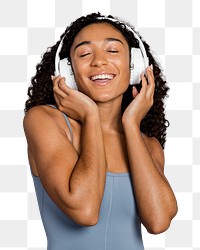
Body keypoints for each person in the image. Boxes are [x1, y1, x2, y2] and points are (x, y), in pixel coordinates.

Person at [23, 12, 178, 250]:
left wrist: (131, 125)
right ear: (68, 71)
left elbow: (158, 222)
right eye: (85, 54)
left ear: (134, 64)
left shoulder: (148, 145)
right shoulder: (45, 121)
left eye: (113, 51)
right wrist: (91, 116)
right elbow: (84, 211)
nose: (99, 61)